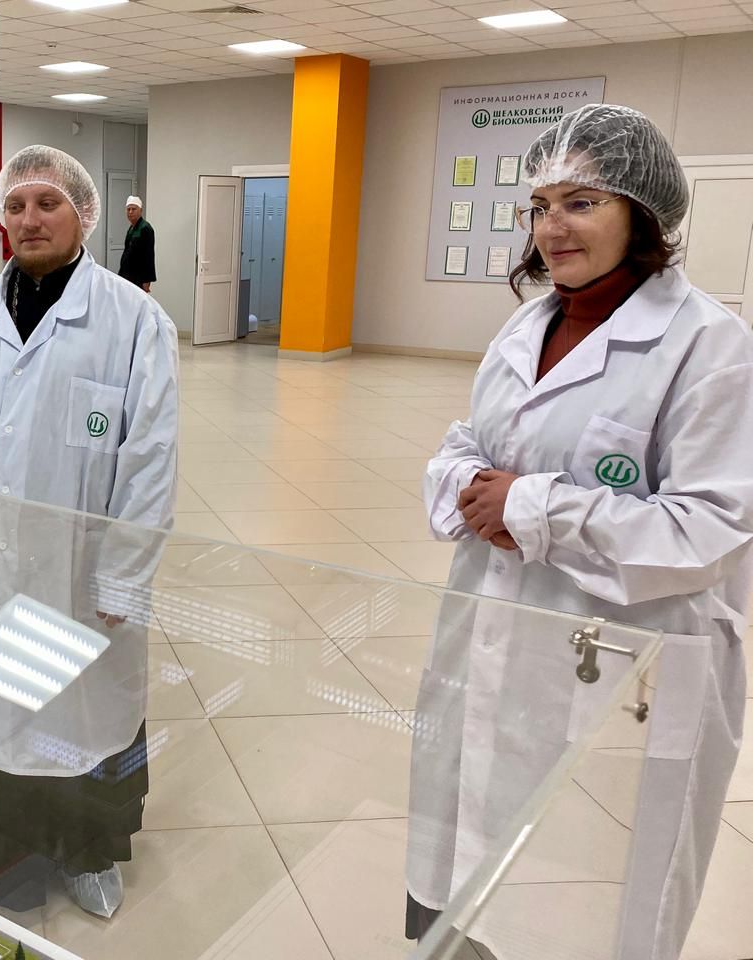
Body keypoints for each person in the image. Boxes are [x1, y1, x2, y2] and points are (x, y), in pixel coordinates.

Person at [410, 104, 753, 960]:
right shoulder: (526, 327)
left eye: (582, 202)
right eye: (540, 205)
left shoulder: (710, 347)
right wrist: (467, 483)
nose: (552, 227)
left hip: (627, 664)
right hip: (496, 627)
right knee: (468, 874)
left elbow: (710, 530)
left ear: (643, 214)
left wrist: (531, 508)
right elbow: (473, 442)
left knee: (584, 904)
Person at [0, 145, 179, 918]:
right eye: (16, 205)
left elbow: (151, 459)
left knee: (79, 713)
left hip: (80, 573)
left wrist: (124, 574)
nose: (29, 219)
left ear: (83, 214)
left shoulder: (134, 322)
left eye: (47, 203)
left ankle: (85, 854)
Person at [117, 195, 155, 292]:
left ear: (140, 210)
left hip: (138, 277)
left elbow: (149, 255)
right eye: (128, 209)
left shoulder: (145, 228)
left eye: (133, 209)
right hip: (127, 274)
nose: (130, 212)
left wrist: (147, 280)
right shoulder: (131, 228)